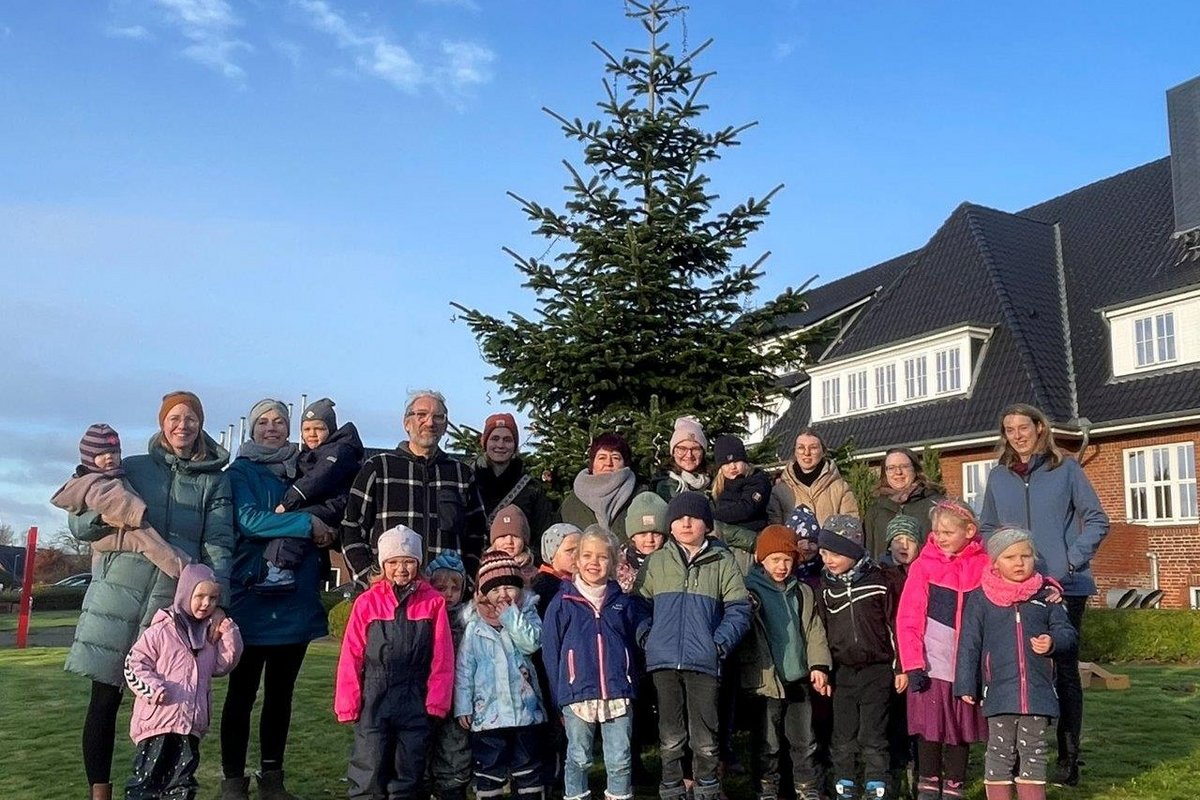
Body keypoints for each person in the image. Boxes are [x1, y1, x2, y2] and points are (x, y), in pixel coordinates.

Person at [66, 391, 234, 800]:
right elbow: (80, 524)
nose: (183, 425)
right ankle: (99, 792)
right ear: (162, 423)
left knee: (165, 706)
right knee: (104, 700)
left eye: (191, 418)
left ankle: (156, 787)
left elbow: (219, 542)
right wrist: (103, 516)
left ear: (201, 424)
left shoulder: (215, 479)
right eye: (175, 417)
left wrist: (218, 602)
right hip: (114, 599)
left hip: (169, 607)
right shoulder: (134, 469)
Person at [979, 403, 1108, 787]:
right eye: (1009, 429)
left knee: (1064, 670)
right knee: (1019, 668)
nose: (1017, 434)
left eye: (1023, 427)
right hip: (1015, 587)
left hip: (1064, 587)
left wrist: (1070, 562)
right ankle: (1018, 758)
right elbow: (987, 527)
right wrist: (1001, 563)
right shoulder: (998, 476)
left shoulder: (1066, 469)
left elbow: (1097, 519)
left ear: (1039, 428)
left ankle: (1068, 760)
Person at [220, 399, 335, 800]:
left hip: (295, 600)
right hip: (251, 598)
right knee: (242, 693)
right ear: (253, 429)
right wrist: (307, 522)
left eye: (280, 422)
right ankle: (232, 780)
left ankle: (273, 778)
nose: (272, 428)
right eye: (264, 422)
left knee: (281, 696)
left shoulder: (305, 467)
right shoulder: (240, 472)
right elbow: (250, 520)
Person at [634, 492, 751, 800]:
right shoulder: (656, 561)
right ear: (670, 526)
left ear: (707, 525)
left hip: (704, 661)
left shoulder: (722, 560)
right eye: (679, 518)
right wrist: (648, 637)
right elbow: (638, 607)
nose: (686, 523)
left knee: (706, 736)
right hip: (664, 662)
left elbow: (739, 608)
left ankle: (707, 788)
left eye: (694, 518)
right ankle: (672, 788)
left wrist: (719, 644)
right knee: (670, 734)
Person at [955, 528, 1077, 800]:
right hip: (999, 692)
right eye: (1010, 557)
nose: (1019, 562)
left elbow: (1069, 634)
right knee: (999, 751)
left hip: (1038, 692)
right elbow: (969, 643)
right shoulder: (981, 598)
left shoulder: (1046, 597)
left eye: (1026, 555)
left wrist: (1053, 641)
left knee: (1034, 750)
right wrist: (966, 683)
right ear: (995, 562)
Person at [335, 525, 455, 800]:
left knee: (408, 771)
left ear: (418, 563)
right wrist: (347, 702)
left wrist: (437, 700)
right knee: (369, 766)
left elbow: (443, 656)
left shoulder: (433, 603)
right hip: (373, 698)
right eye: (393, 562)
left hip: (415, 695)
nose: (401, 568)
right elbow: (351, 655)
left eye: (408, 561)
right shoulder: (366, 603)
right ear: (383, 564)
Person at [122, 564, 243, 800]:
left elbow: (223, 664)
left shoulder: (209, 635)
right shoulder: (161, 630)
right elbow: (133, 664)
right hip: (158, 723)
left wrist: (229, 631)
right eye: (199, 596)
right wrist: (153, 688)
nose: (206, 603)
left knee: (182, 783)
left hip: (190, 725)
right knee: (148, 781)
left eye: (212, 598)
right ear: (186, 594)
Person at [342, 389, 488, 583]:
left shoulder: (461, 474)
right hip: (389, 596)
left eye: (438, 417)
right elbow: (351, 527)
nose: (430, 422)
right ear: (406, 423)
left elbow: (477, 535)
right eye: (421, 415)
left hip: (445, 596)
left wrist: (466, 581)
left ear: (445, 427)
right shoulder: (379, 468)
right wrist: (367, 579)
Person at [896, 500, 990, 800]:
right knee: (930, 726)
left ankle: (954, 784)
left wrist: (1050, 585)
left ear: (970, 531)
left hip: (966, 662)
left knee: (959, 727)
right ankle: (928, 782)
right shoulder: (923, 565)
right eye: (936, 531)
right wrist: (912, 663)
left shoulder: (986, 565)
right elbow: (908, 616)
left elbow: (1017, 581)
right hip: (931, 661)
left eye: (948, 531)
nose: (940, 537)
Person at [543, 529, 644, 800]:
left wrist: (630, 680)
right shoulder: (562, 603)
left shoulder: (622, 603)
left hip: (618, 693)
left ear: (612, 563)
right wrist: (559, 699)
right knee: (578, 758)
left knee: (620, 758)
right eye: (587, 555)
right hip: (577, 695)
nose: (594, 562)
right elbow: (551, 654)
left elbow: (635, 648)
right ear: (576, 560)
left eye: (602, 557)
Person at [815, 515, 905, 800]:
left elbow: (896, 625)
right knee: (843, 734)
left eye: (836, 553)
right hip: (842, 671)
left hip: (877, 670)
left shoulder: (881, 581)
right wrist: (824, 669)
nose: (829, 559)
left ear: (854, 552)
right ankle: (845, 784)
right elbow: (821, 632)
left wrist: (901, 666)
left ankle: (877, 784)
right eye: (824, 552)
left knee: (873, 733)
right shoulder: (826, 589)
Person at [739, 525, 831, 800]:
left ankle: (807, 788)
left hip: (798, 677)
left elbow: (814, 630)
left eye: (787, 560)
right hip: (766, 679)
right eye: (775, 559)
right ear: (762, 560)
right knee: (768, 742)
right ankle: (767, 788)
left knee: (805, 740)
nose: (781, 566)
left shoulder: (802, 591)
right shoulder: (749, 590)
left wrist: (818, 665)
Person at [455, 550, 547, 800]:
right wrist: (463, 705)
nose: (503, 595)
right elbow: (465, 669)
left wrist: (510, 616)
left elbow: (530, 643)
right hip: (488, 716)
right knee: (489, 769)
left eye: (509, 587)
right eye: (495, 590)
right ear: (484, 593)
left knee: (527, 768)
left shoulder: (527, 614)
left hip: (524, 711)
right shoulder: (475, 626)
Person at [51, 423, 189, 579]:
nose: (109, 457)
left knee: (152, 544)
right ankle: (184, 571)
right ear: (89, 458)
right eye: (102, 454)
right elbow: (112, 500)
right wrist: (137, 512)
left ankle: (184, 566)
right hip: (117, 533)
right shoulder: (93, 482)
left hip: (119, 533)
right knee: (150, 544)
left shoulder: (117, 476)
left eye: (114, 452)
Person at [273, 397, 364, 590]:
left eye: (319, 428)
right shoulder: (310, 455)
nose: (312, 434)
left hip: (335, 505)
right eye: (307, 429)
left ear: (330, 429)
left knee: (294, 521)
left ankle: (280, 568)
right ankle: (322, 570)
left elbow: (319, 477)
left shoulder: (339, 451)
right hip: (323, 506)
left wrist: (288, 502)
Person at [424, 552, 473, 800]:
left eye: (456, 588)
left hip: (457, 698)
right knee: (422, 745)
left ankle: (452, 786)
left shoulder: (468, 620)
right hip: (427, 696)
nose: (449, 593)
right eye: (441, 587)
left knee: (455, 747)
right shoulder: (424, 617)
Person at [474, 413, 557, 552]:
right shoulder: (467, 481)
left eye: (507, 440)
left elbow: (544, 536)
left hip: (517, 567)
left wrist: (529, 557)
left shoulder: (531, 489)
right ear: (485, 442)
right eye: (495, 439)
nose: (500, 445)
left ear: (515, 445)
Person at [864, 448, 943, 559]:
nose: (898, 472)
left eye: (904, 466)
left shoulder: (935, 505)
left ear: (915, 470)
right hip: (886, 574)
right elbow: (870, 550)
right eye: (891, 468)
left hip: (927, 574)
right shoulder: (876, 510)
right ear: (885, 473)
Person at [768, 429, 858, 527]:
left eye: (813, 448)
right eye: (801, 447)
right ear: (795, 452)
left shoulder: (841, 489)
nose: (807, 453)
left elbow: (850, 527)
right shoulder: (779, 491)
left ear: (823, 452)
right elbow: (775, 532)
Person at [560, 433, 641, 541]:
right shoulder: (571, 504)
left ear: (625, 463)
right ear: (592, 463)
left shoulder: (640, 496)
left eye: (616, 458)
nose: (608, 463)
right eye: (602, 458)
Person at [711, 434, 772, 534]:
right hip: (727, 536)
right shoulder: (720, 486)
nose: (733, 466)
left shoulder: (757, 481)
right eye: (726, 463)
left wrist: (713, 515)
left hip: (753, 533)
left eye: (736, 461)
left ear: (745, 462)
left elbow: (746, 508)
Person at [617, 492, 668, 593]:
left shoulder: (671, 560)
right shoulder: (618, 563)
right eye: (643, 534)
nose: (650, 540)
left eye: (656, 534)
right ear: (633, 536)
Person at [652, 417, 712, 501]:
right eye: (682, 449)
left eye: (695, 449)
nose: (689, 455)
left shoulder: (714, 482)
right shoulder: (666, 486)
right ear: (673, 452)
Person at [531, 523, 583, 616]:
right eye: (570, 550)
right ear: (552, 555)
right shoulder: (544, 589)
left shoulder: (584, 580)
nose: (577, 555)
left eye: (581, 549)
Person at [489, 504, 538, 586]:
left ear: (523, 541)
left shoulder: (533, 574)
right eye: (503, 536)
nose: (509, 541)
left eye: (515, 536)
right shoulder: (485, 570)